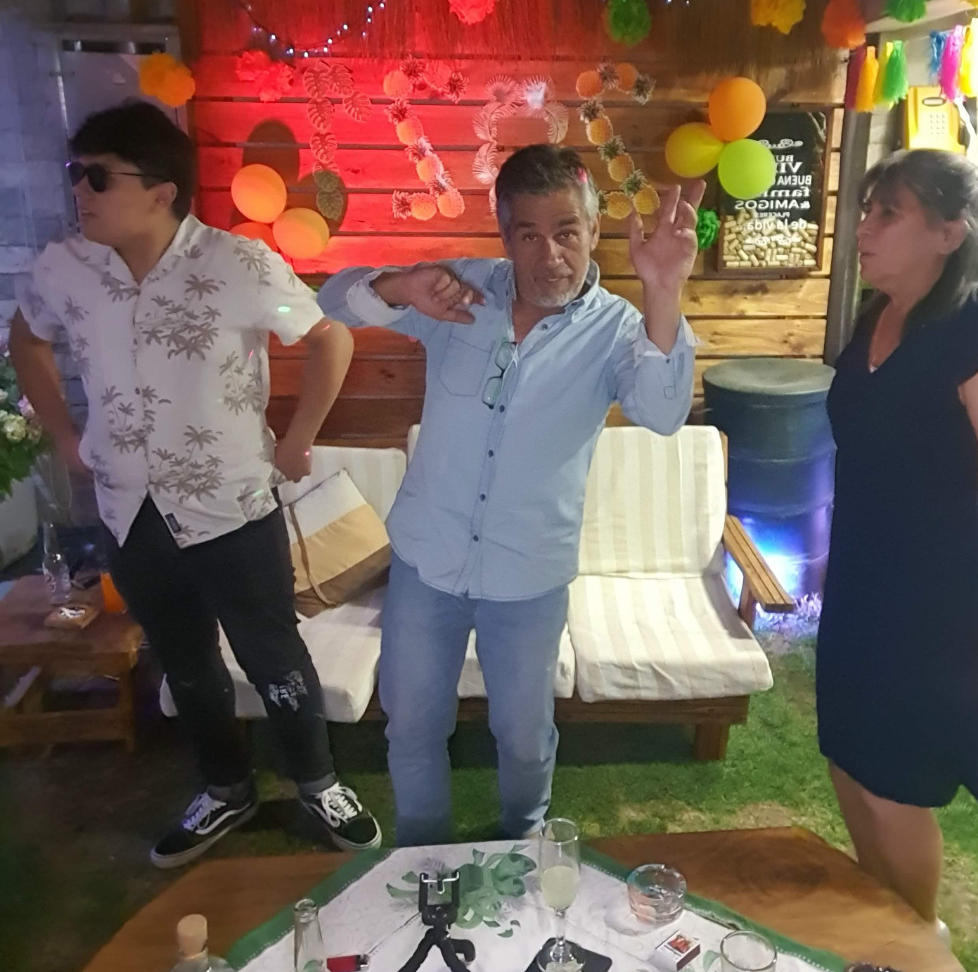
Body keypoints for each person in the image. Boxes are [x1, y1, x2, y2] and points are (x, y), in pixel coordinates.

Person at [10, 101, 381, 867]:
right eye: (76, 172)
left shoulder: (239, 265)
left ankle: (317, 782)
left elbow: (328, 337)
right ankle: (226, 789)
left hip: (232, 507)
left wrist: (300, 438)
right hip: (129, 511)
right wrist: (63, 433)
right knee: (184, 662)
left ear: (161, 191)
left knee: (275, 658)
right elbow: (26, 336)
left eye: (98, 176)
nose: (79, 189)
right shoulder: (65, 268)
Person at [318, 144, 704, 845]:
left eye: (567, 232)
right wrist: (403, 287)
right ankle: (424, 858)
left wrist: (663, 291)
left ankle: (522, 846)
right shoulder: (459, 289)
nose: (550, 255)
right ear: (505, 237)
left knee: (524, 736)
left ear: (593, 230)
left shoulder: (619, 329)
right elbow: (332, 298)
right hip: (427, 564)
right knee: (412, 726)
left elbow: (663, 411)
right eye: (529, 234)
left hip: (528, 577)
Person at [817, 148, 978, 935]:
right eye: (867, 210)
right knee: (848, 765)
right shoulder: (876, 317)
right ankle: (881, 919)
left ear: (949, 233)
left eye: (889, 213)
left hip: (934, 604)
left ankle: (916, 940)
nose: (865, 228)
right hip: (861, 583)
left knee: (894, 788)